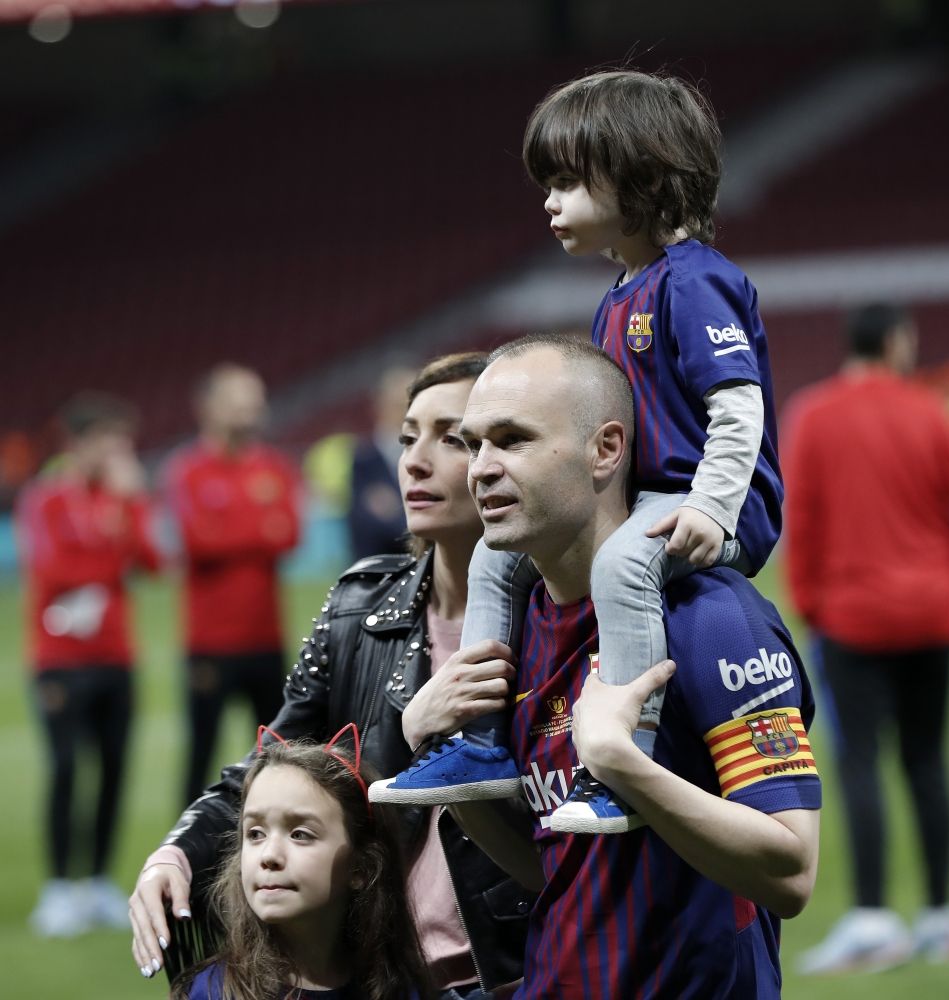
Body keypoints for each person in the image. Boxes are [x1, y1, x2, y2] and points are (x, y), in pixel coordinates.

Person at [379, 71, 783, 833]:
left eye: (566, 182)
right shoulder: (620, 293)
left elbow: (739, 409)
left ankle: (626, 761)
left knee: (620, 564)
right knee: (496, 559)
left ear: (641, 174)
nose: (549, 203)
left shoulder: (696, 283)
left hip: (709, 505)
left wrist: (711, 505)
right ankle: (481, 739)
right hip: (644, 499)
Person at [375, 337, 820, 998]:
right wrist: (444, 754)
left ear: (606, 449)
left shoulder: (710, 618)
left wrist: (622, 763)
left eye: (514, 440)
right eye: (473, 445)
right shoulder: (516, 628)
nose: (481, 469)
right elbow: (550, 866)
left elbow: (790, 871)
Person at [130, 353, 535, 999]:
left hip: (514, 976)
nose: (415, 461)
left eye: (451, 438)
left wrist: (407, 734)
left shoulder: (560, 623)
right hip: (378, 977)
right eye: (407, 438)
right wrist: (174, 852)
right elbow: (273, 767)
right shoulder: (361, 605)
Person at [783, 304, 949, 974]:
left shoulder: (813, 415)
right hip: (930, 615)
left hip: (851, 618)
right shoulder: (933, 412)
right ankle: (941, 916)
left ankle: (871, 919)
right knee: (927, 760)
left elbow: (799, 520)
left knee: (860, 761)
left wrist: (813, 608)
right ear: (897, 342)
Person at [17, 391, 160, 937]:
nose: (119, 451)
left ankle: (97, 881)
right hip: (60, 659)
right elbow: (54, 570)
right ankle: (58, 889)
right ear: (77, 443)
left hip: (115, 655)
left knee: (115, 768)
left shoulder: (124, 500)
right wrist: (108, 538)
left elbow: (151, 562)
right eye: (109, 439)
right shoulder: (47, 499)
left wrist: (132, 508)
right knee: (65, 768)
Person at [169, 735, 430, 1000]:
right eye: (255, 834)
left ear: (360, 866)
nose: (269, 855)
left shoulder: (396, 989)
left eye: (300, 834)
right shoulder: (213, 992)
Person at [163, 364, 302, 807]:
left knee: (278, 754)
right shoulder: (187, 471)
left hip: (266, 638)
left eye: (255, 398)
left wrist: (230, 529)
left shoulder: (274, 466)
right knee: (199, 753)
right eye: (241, 398)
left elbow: (290, 535)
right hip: (210, 642)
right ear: (208, 407)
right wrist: (259, 527)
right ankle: (186, 860)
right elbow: (195, 541)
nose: (253, 408)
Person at [349, 367, 418, 559]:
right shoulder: (363, 459)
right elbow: (368, 527)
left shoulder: (433, 453)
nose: (408, 410)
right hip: (382, 573)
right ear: (381, 405)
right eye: (401, 403)